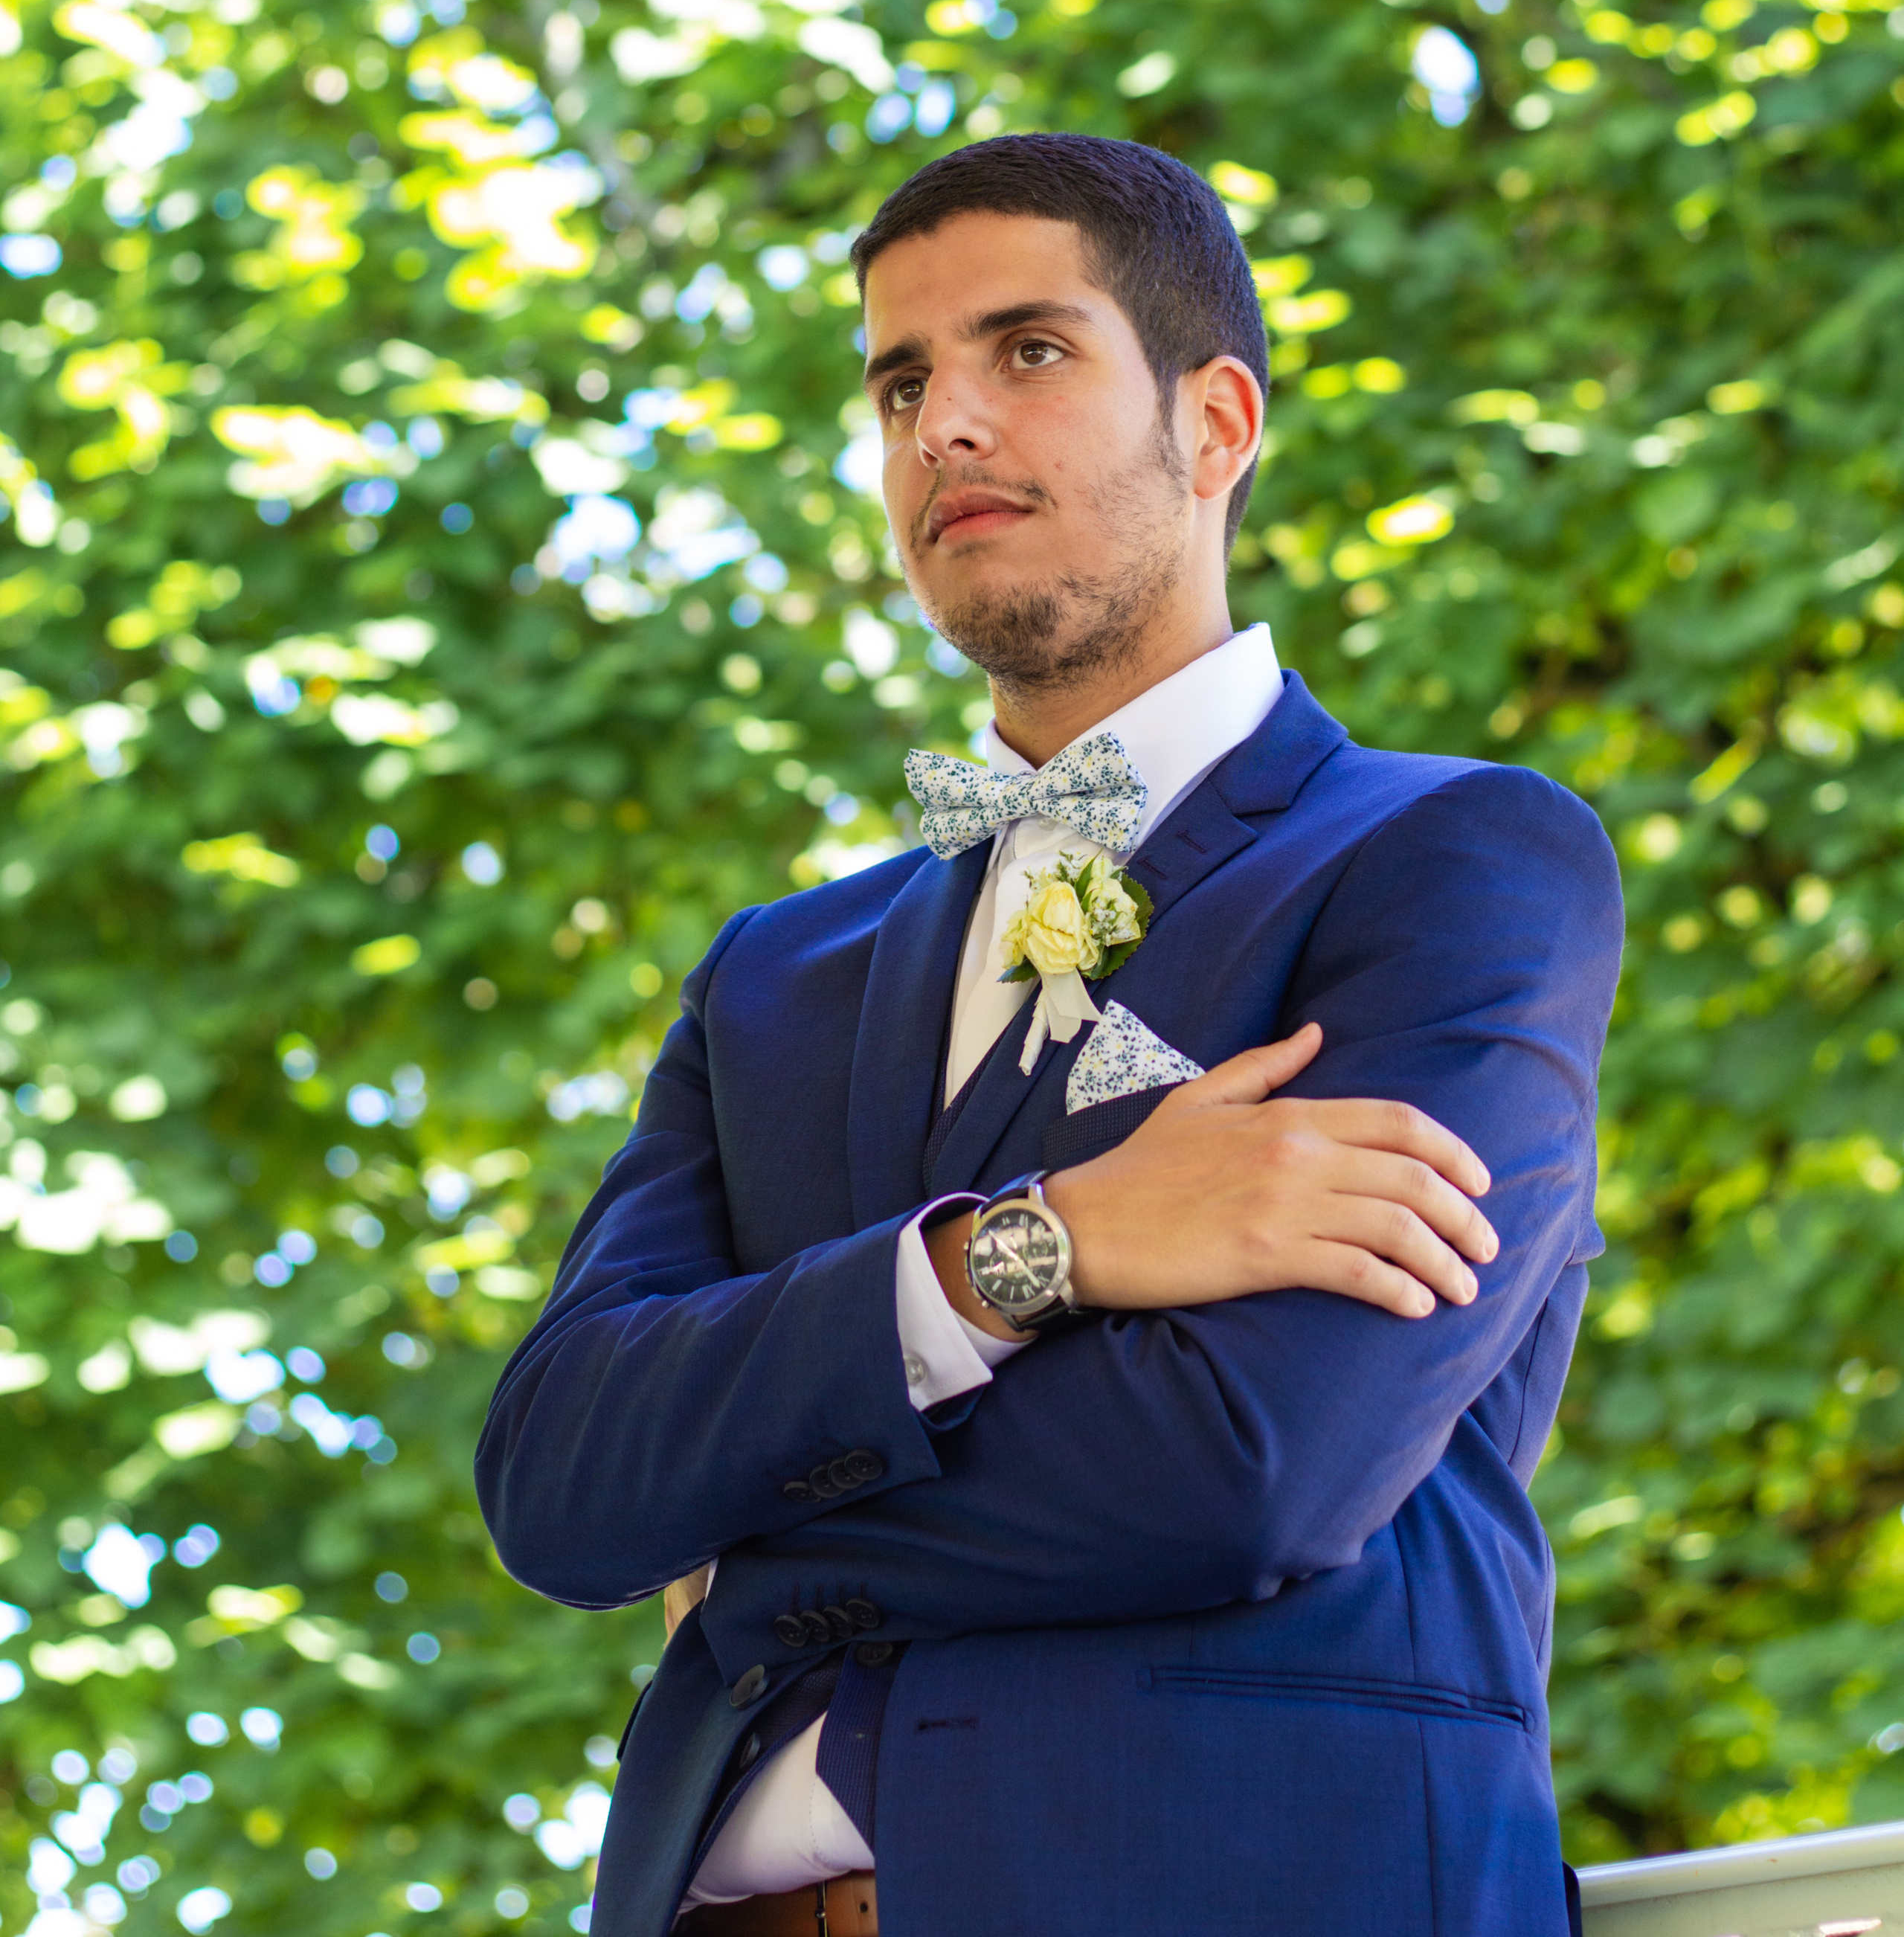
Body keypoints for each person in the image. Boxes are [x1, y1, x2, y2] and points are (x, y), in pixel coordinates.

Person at [477, 132, 1621, 1937]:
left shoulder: (1456, 862)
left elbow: (1250, 1471)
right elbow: (559, 1480)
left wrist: (751, 1545)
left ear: (1216, 423)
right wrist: (1040, 1251)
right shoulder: (776, 975)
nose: (943, 425)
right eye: (900, 381)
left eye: (1028, 351)